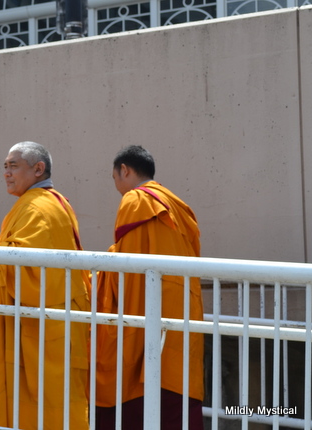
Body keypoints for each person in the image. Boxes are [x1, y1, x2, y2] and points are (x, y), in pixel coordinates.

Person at [93, 145, 204, 429]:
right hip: (181, 312)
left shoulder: (136, 200)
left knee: (136, 383)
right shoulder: (178, 205)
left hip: (145, 308)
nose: (116, 185)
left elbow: (127, 267)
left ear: (125, 170)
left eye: (115, 177)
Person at [0, 141, 90, 430]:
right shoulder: (47, 202)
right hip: (53, 319)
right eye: (4, 166)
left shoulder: (37, 207)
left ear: (38, 169)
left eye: (13, 165)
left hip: (47, 325)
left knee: (50, 405)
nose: (6, 172)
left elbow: (27, 274)